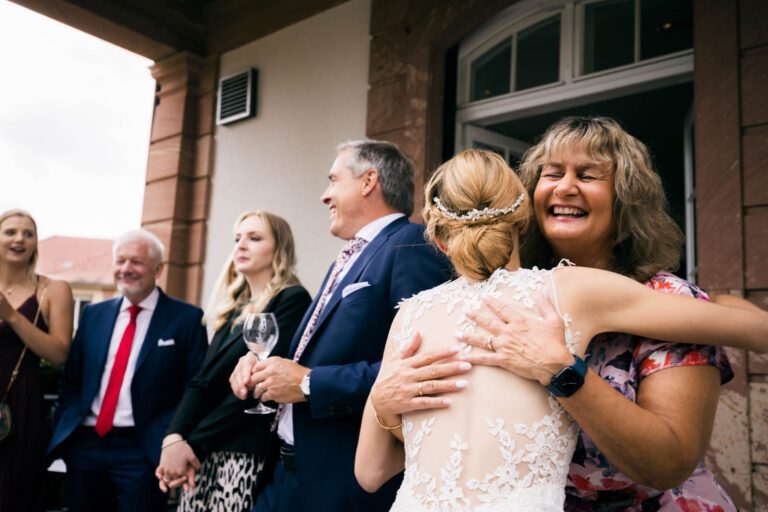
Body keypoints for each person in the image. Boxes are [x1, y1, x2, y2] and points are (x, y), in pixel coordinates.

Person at [355, 148, 767, 511]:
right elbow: (736, 326)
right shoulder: (568, 289)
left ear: (439, 239)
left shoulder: (410, 315)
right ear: (522, 221)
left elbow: (370, 475)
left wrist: (381, 406)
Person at [229, 140, 454, 511]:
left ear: (369, 181)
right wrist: (265, 370)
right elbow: (316, 352)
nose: (325, 195)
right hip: (284, 471)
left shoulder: (411, 245)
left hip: (341, 481)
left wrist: (307, 383)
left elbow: (423, 369)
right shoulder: (348, 257)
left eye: (333, 180)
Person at [155, 211, 311, 511]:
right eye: (237, 238)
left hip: (244, 449)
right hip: (204, 449)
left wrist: (193, 445)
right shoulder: (235, 311)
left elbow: (252, 388)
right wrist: (173, 439)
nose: (241, 245)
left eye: (254, 238)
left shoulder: (292, 299)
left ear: (279, 248)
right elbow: (202, 380)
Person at [48, 228, 208, 512]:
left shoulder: (186, 319)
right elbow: (72, 381)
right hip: (86, 446)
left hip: (143, 449)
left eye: (136, 261)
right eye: (120, 261)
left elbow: (194, 387)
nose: (126, 269)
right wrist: (67, 433)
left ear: (158, 268)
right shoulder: (93, 315)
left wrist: (171, 439)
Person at [0, 209, 73, 512]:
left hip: (22, 404)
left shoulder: (53, 289)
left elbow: (58, 354)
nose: (19, 239)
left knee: (16, 493)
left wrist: (11, 315)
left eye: (28, 233)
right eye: (11, 232)